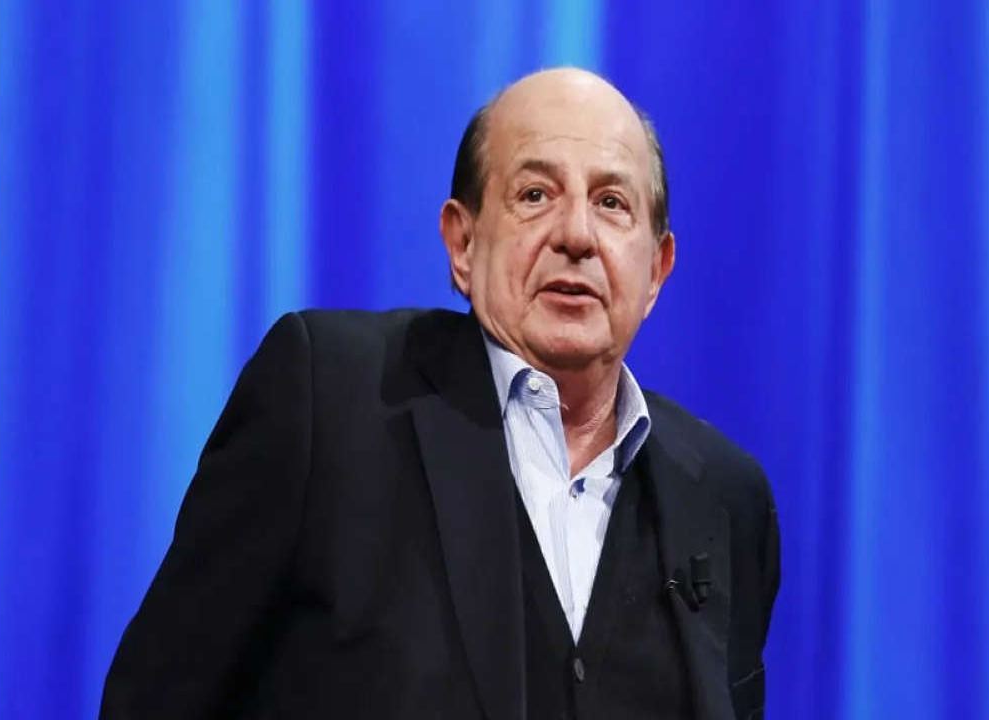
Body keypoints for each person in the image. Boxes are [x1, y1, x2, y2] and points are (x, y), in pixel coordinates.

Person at [102, 67, 779, 720]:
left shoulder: (725, 498)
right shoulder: (330, 401)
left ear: (656, 269)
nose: (577, 235)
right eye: (535, 195)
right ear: (463, 243)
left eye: (611, 203)